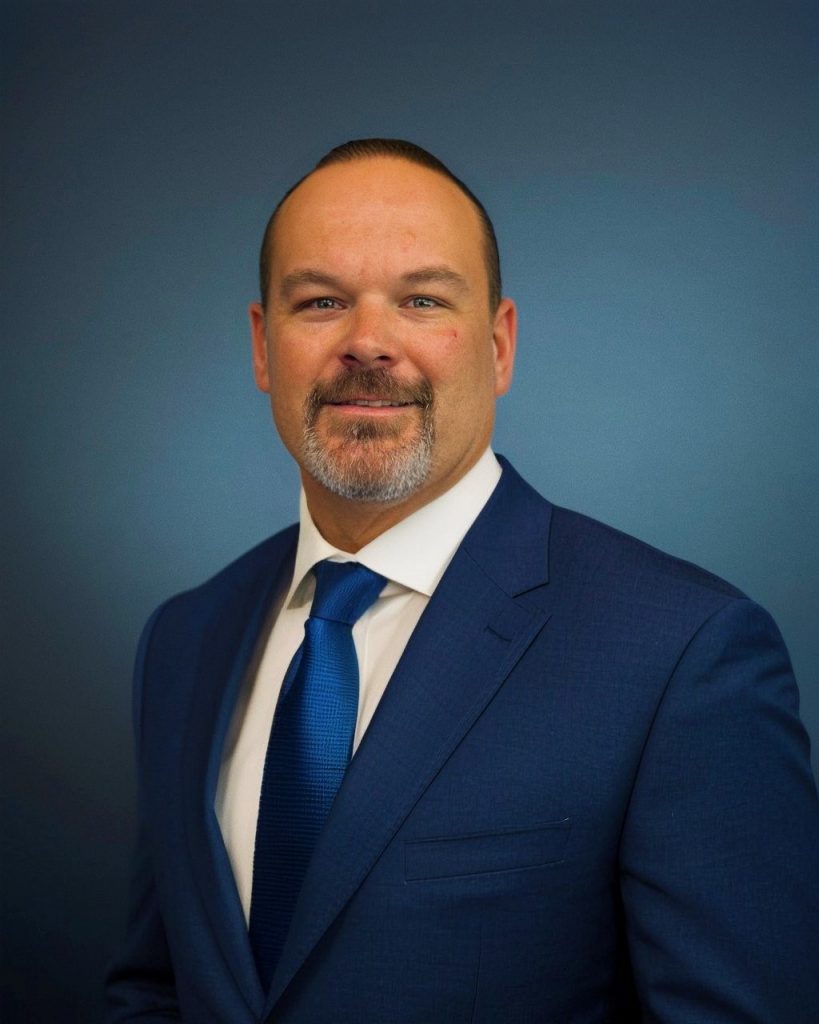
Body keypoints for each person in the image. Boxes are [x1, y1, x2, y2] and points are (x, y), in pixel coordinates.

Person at [105, 138, 819, 1023]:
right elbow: (156, 988)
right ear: (262, 346)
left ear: (499, 344)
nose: (367, 343)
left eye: (421, 300)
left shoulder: (680, 653)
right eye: (321, 301)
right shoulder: (184, 640)